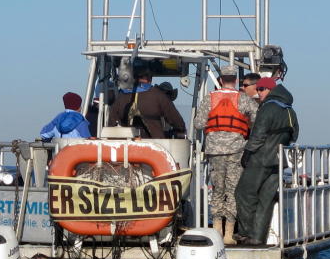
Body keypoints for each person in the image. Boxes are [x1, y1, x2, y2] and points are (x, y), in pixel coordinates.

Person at [193, 66, 258, 245]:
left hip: (214, 150)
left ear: (221, 80)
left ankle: (216, 230)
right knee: (232, 191)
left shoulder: (210, 98)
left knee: (217, 190)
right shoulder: (243, 99)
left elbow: (198, 124)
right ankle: (229, 234)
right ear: (236, 80)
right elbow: (256, 119)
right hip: (237, 149)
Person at [235, 77, 299, 246]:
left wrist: (247, 153)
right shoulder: (290, 111)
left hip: (261, 159)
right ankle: (257, 238)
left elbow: (258, 135)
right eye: (258, 89)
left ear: (271, 90)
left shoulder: (268, 108)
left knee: (243, 194)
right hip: (278, 161)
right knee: (266, 200)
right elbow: (294, 135)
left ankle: (245, 234)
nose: (259, 92)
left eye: (262, 89)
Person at [108, 67, 186, 138]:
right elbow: (177, 121)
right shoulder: (157, 95)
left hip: (126, 147)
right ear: (150, 79)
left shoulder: (121, 96)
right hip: (155, 146)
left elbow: (111, 121)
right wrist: (181, 129)